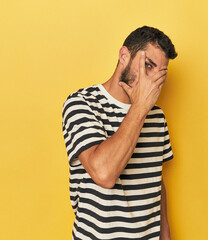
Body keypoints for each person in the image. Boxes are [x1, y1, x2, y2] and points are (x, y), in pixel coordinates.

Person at [62, 25, 177, 240]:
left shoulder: (157, 117)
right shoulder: (81, 104)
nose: (152, 80)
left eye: (159, 75)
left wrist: (165, 234)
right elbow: (104, 174)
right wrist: (140, 107)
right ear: (124, 55)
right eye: (148, 66)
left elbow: (154, 181)